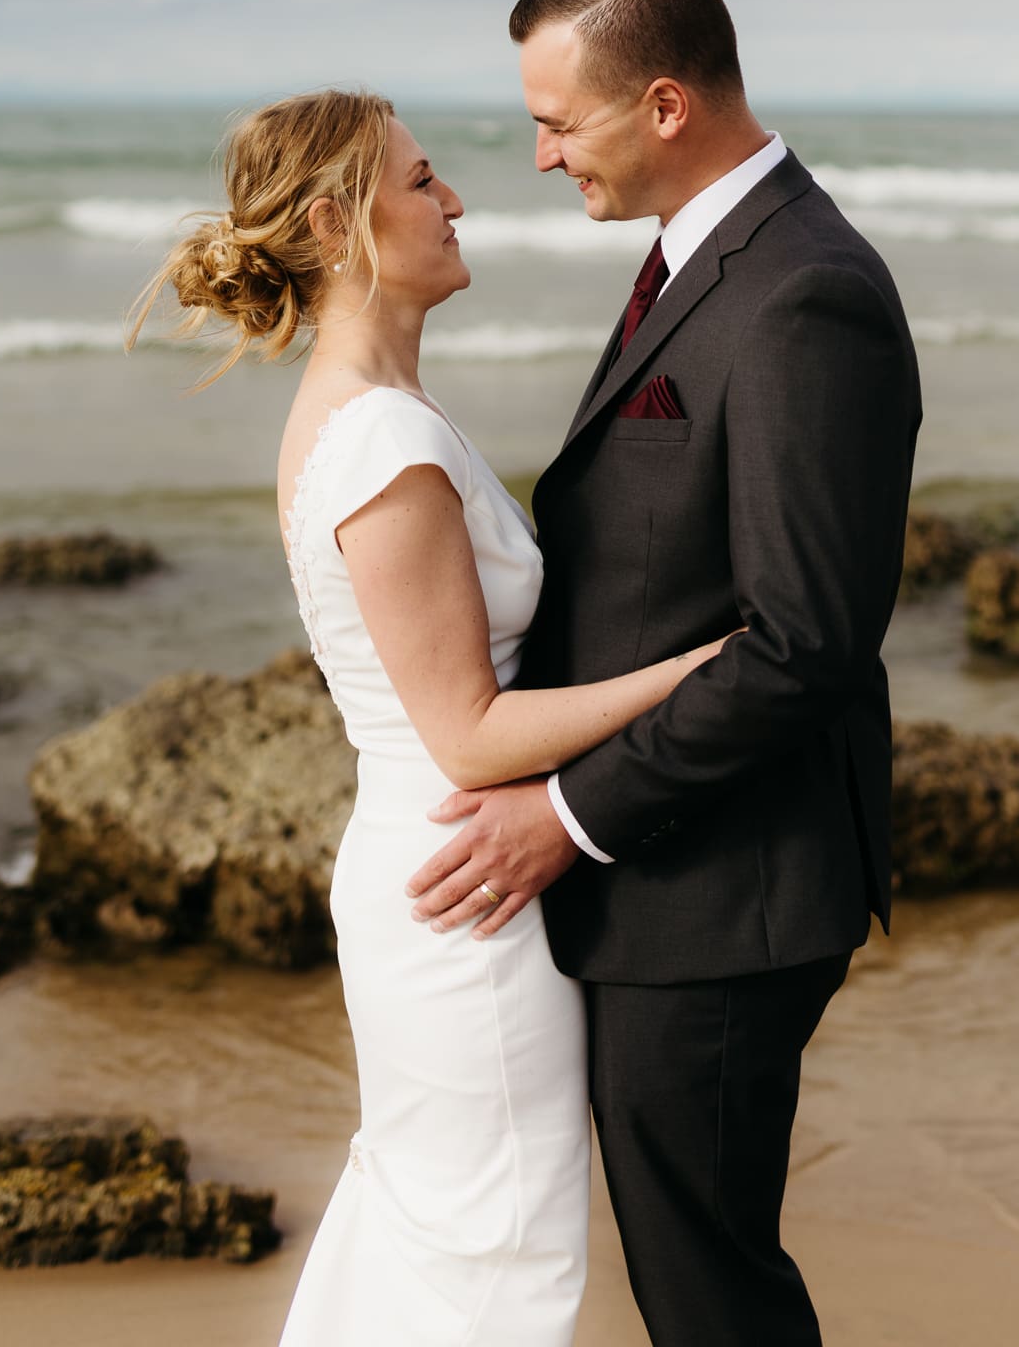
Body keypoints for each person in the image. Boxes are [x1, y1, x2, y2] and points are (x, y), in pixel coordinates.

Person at [128, 87, 737, 1347]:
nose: (454, 197)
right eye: (419, 179)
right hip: (465, 883)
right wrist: (699, 666)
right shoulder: (383, 441)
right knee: (493, 1262)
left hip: (439, 866)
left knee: (442, 1232)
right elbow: (467, 732)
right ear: (338, 223)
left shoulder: (376, 416)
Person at [407, 0, 923, 1346]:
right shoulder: (701, 264)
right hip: (680, 879)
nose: (536, 157)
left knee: (708, 1291)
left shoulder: (803, 293)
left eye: (557, 123)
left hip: (721, 891)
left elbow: (807, 641)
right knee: (694, 1275)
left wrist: (565, 819)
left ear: (664, 107)